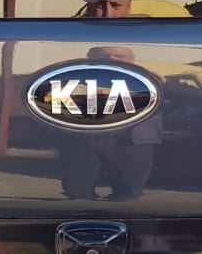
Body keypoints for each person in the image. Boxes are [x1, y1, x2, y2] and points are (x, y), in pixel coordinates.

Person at [57, 42, 163, 201]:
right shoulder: (71, 78)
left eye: (119, 56)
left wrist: (162, 83)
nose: (112, 59)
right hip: (83, 141)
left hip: (132, 142)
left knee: (129, 193)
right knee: (77, 192)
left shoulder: (149, 80)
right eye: (103, 56)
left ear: (132, 59)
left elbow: (184, 97)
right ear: (89, 58)